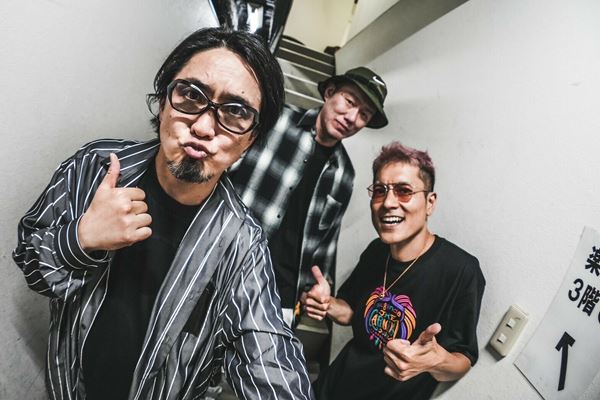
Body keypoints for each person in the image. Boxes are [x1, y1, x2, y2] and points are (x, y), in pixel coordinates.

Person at [12, 27, 313, 400]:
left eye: (235, 112)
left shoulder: (242, 243)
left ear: (250, 140)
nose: (203, 127)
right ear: (163, 100)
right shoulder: (95, 167)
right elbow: (32, 266)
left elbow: (269, 354)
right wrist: (81, 239)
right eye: (191, 95)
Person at [302, 141, 485, 399]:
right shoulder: (377, 250)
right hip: (329, 388)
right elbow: (352, 312)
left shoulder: (461, 270)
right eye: (380, 191)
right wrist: (326, 304)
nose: (388, 202)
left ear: (430, 203)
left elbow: (463, 359)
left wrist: (435, 361)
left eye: (404, 191)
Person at [230, 66, 389, 329]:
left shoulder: (344, 174)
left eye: (364, 114)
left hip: (279, 298)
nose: (352, 118)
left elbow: (326, 244)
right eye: (350, 102)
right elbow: (220, 171)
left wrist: (319, 288)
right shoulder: (276, 119)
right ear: (329, 92)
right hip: (228, 265)